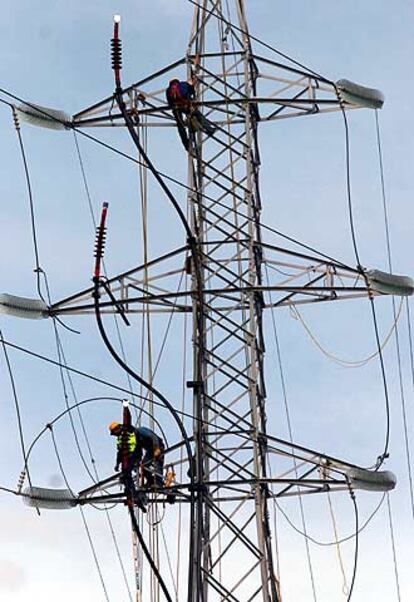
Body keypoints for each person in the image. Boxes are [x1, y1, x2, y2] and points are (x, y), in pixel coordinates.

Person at [166, 72, 216, 151]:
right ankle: (209, 129)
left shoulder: (168, 90)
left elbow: (169, 104)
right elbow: (192, 93)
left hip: (176, 109)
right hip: (185, 106)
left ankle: (187, 145)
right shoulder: (183, 84)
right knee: (197, 115)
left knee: (181, 127)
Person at [109, 422, 165, 489]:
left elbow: (153, 437)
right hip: (150, 450)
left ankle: (158, 483)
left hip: (158, 446)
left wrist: (157, 448)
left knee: (157, 462)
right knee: (144, 465)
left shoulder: (140, 431)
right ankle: (151, 481)